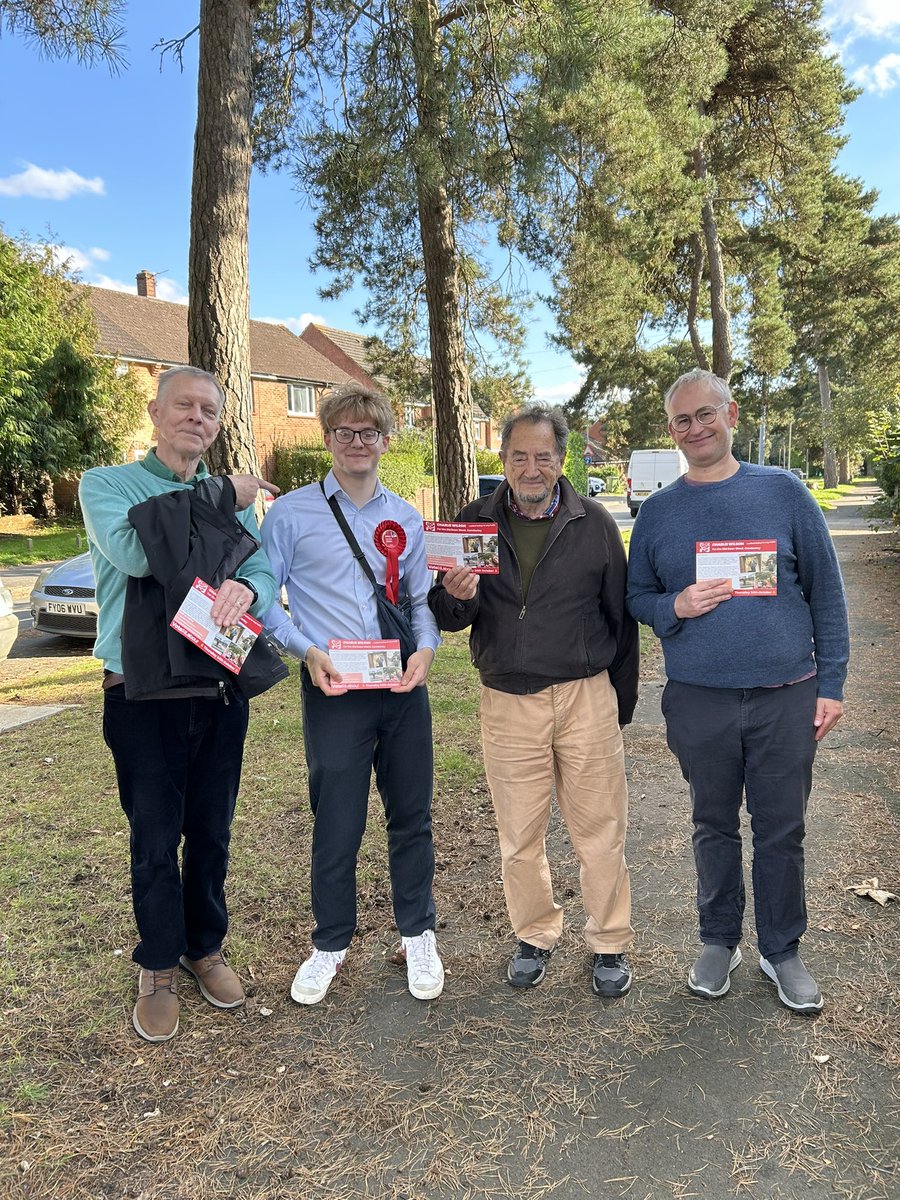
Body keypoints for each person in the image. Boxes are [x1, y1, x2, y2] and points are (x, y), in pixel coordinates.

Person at [626, 369, 849, 1013]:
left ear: (731, 414)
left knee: (782, 829)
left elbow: (827, 593)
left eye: (706, 414)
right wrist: (676, 605)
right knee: (712, 824)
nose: (696, 428)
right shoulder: (659, 512)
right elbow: (637, 596)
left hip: (786, 695)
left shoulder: (783, 491)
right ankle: (718, 940)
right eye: (682, 420)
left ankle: (781, 950)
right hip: (701, 699)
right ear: (672, 431)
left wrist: (831, 683)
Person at [79, 366, 281, 1043]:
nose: (198, 417)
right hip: (141, 691)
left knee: (213, 829)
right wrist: (218, 495)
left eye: (210, 410)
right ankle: (159, 964)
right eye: (184, 405)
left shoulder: (231, 498)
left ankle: (204, 948)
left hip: (218, 683)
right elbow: (140, 554)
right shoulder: (107, 485)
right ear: (155, 412)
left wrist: (249, 590)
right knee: (155, 836)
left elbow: (258, 564)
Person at [428, 405, 639, 998]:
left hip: (584, 697)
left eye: (543, 456)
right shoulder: (472, 522)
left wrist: (617, 705)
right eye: (518, 456)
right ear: (502, 460)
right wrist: (458, 596)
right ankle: (534, 934)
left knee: (600, 829)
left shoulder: (594, 523)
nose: (530, 468)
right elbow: (446, 615)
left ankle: (609, 941)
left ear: (561, 460)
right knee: (519, 834)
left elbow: (620, 619)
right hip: (507, 700)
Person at [261, 383, 444, 1005]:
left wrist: (426, 650)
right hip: (334, 686)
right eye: (344, 432)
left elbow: (419, 602)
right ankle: (330, 943)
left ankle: (417, 933)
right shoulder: (291, 515)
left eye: (368, 432)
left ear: (386, 441)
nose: (357, 442)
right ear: (327, 439)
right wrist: (304, 650)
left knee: (412, 815)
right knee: (337, 820)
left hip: (401, 685)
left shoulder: (406, 518)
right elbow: (264, 600)